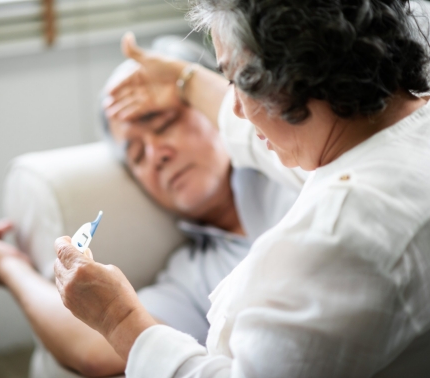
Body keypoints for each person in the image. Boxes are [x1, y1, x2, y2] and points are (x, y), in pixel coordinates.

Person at [54, 0, 430, 377]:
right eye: (136, 154)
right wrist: (182, 80)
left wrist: (117, 320)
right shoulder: (383, 135)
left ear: (291, 74)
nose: (235, 109)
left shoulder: (341, 237)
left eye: (236, 79)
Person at [0, 36, 298, 377]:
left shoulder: (296, 164)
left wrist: (186, 79)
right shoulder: (192, 275)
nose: (157, 155)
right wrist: (8, 269)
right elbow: (92, 351)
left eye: (164, 122)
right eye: (137, 155)